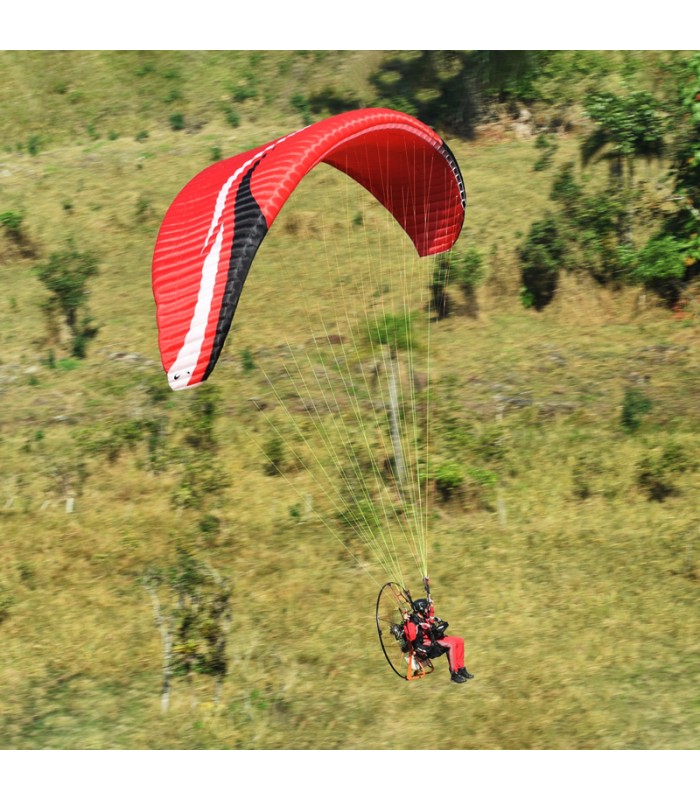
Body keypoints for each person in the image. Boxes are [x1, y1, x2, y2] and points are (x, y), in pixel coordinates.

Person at [403, 597, 474, 684]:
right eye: (426, 607)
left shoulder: (423, 616)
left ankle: (461, 669)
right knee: (451, 644)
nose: (427, 609)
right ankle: (454, 674)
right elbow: (411, 637)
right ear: (421, 608)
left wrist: (432, 606)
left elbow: (431, 619)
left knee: (459, 641)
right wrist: (406, 622)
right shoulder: (412, 622)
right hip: (423, 644)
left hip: (431, 638)